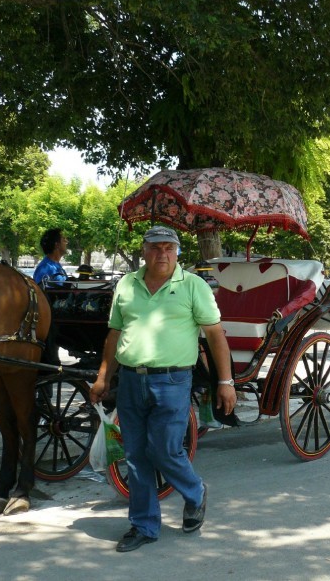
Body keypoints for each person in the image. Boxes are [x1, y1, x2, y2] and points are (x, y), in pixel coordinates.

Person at [89, 225, 236, 553]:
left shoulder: (194, 286)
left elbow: (215, 336)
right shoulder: (127, 284)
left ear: (178, 252)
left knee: (164, 450)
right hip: (130, 380)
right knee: (136, 456)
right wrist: (103, 377)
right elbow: (114, 334)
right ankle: (143, 525)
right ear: (144, 250)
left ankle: (195, 492)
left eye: (169, 248)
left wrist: (225, 382)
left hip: (172, 381)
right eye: (155, 247)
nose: (162, 254)